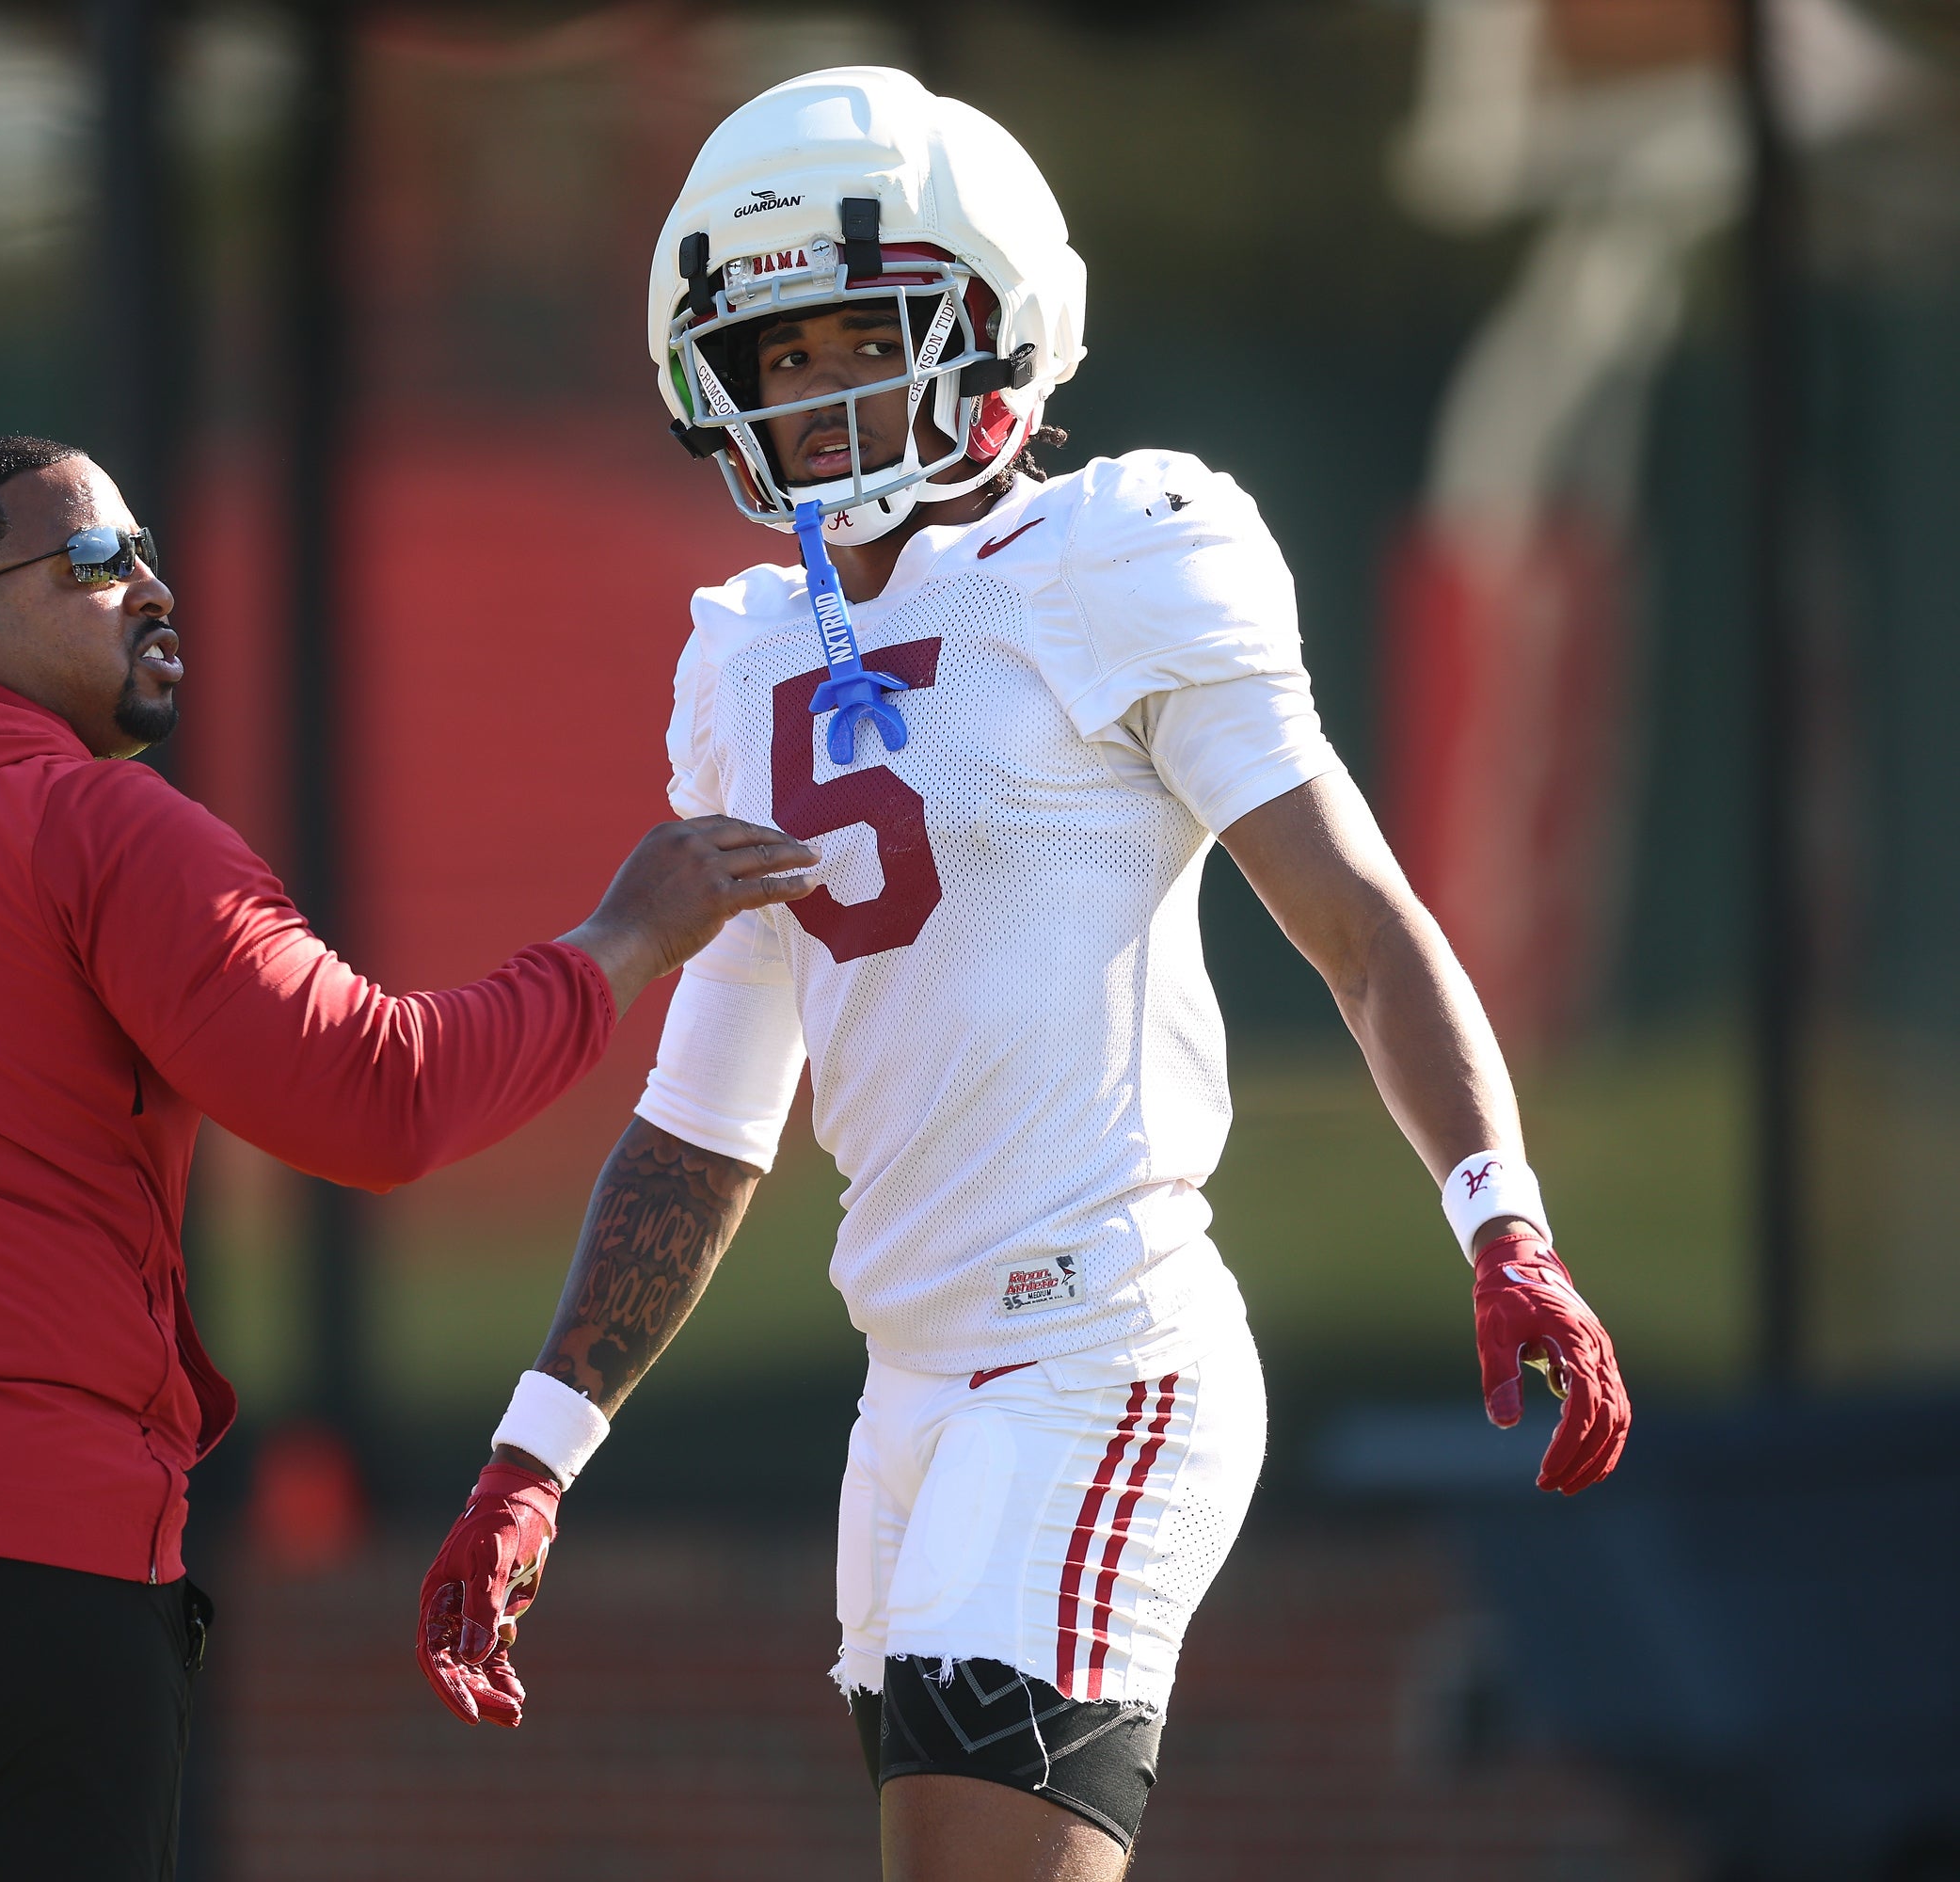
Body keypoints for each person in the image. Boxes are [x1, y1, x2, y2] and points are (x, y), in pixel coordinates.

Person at [413, 69, 1633, 1882]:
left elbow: (1359, 923)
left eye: (853, 340)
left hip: (1097, 1344)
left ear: (994, 324)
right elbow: (709, 1108)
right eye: (773, 361)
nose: (812, 400)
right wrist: (535, 1453)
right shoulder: (744, 656)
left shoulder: (1117, 551)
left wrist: (1501, 1217)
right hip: (903, 1385)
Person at [0, 434, 817, 1882]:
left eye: (147, 551)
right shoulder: (99, 824)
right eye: (94, 563)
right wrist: (624, 940)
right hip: (19, 1572)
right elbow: (374, 1101)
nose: (152, 587)